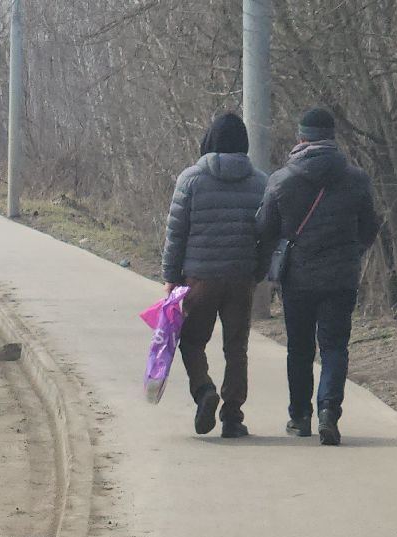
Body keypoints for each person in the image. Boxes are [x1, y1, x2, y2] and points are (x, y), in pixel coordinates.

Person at [256, 106, 380, 446]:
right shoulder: (356, 179)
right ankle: (329, 412)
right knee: (334, 346)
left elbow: (265, 229)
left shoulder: (281, 180)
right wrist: (352, 252)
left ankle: (299, 417)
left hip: (297, 277)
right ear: (332, 139)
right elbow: (370, 227)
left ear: (301, 138)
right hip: (341, 277)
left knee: (299, 348)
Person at [162, 113, 267, 438]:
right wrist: (257, 272)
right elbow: (267, 234)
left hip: (199, 278)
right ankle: (233, 417)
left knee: (191, 341)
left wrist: (170, 277)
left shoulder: (190, 179)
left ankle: (204, 390)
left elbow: (176, 234)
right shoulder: (261, 182)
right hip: (240, 278)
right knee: (236, 347)